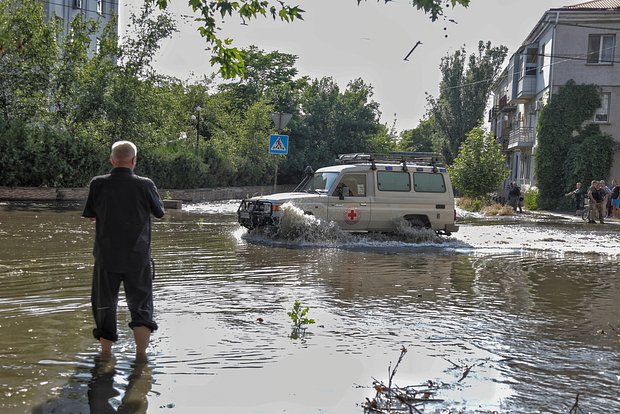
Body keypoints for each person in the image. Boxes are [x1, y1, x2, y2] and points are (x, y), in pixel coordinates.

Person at [82, 141, 165, 357]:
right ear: (134, 161)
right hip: (137, 259)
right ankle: (140, 356)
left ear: (112, 160)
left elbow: (91, 215)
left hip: (106, 258)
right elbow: (160, 213)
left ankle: (106, 355)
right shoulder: (145, 184)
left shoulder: (97, 184)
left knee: (104, 305)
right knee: (141, 305)